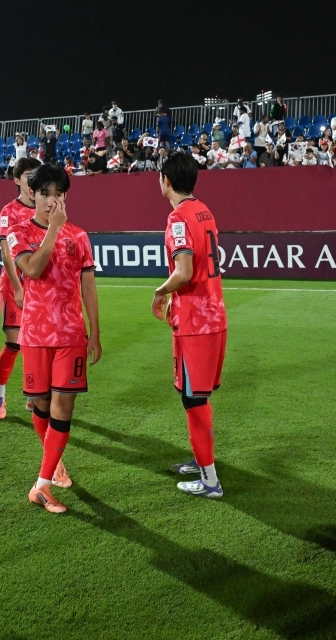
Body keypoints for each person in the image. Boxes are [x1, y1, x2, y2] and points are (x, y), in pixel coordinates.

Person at [6, 164, 102, 514]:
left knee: (63, 408)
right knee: (42, 406)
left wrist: (95, 331)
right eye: (45, 193)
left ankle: (42, 484)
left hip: (71, 336)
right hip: (34, 335)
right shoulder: (18, 232)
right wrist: (53, 232)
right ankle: (53, 462)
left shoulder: (79, 236)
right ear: (33, 194)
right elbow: (32, 269)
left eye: (58, 194)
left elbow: (88, 287)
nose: (52, 200)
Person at [151, 152, 228, 497]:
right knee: (194, 396)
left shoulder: (178, 218)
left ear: (166, 180)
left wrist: (159, 291)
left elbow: (182, 272)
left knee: (194, 399)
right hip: (211, 315)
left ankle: (210, 481)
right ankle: (202, 461)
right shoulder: (205, 210)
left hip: (196, 321)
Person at [0, 158, 43, 420]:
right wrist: (18, 287)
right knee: (14, 344)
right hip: (14, 285)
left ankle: (34, 394)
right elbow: (6, 253)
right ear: (17, 180)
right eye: (28, 175)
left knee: (37, 343)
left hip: (41, 286)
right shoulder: (8, 211)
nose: (32, 180)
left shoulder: (45, 206)